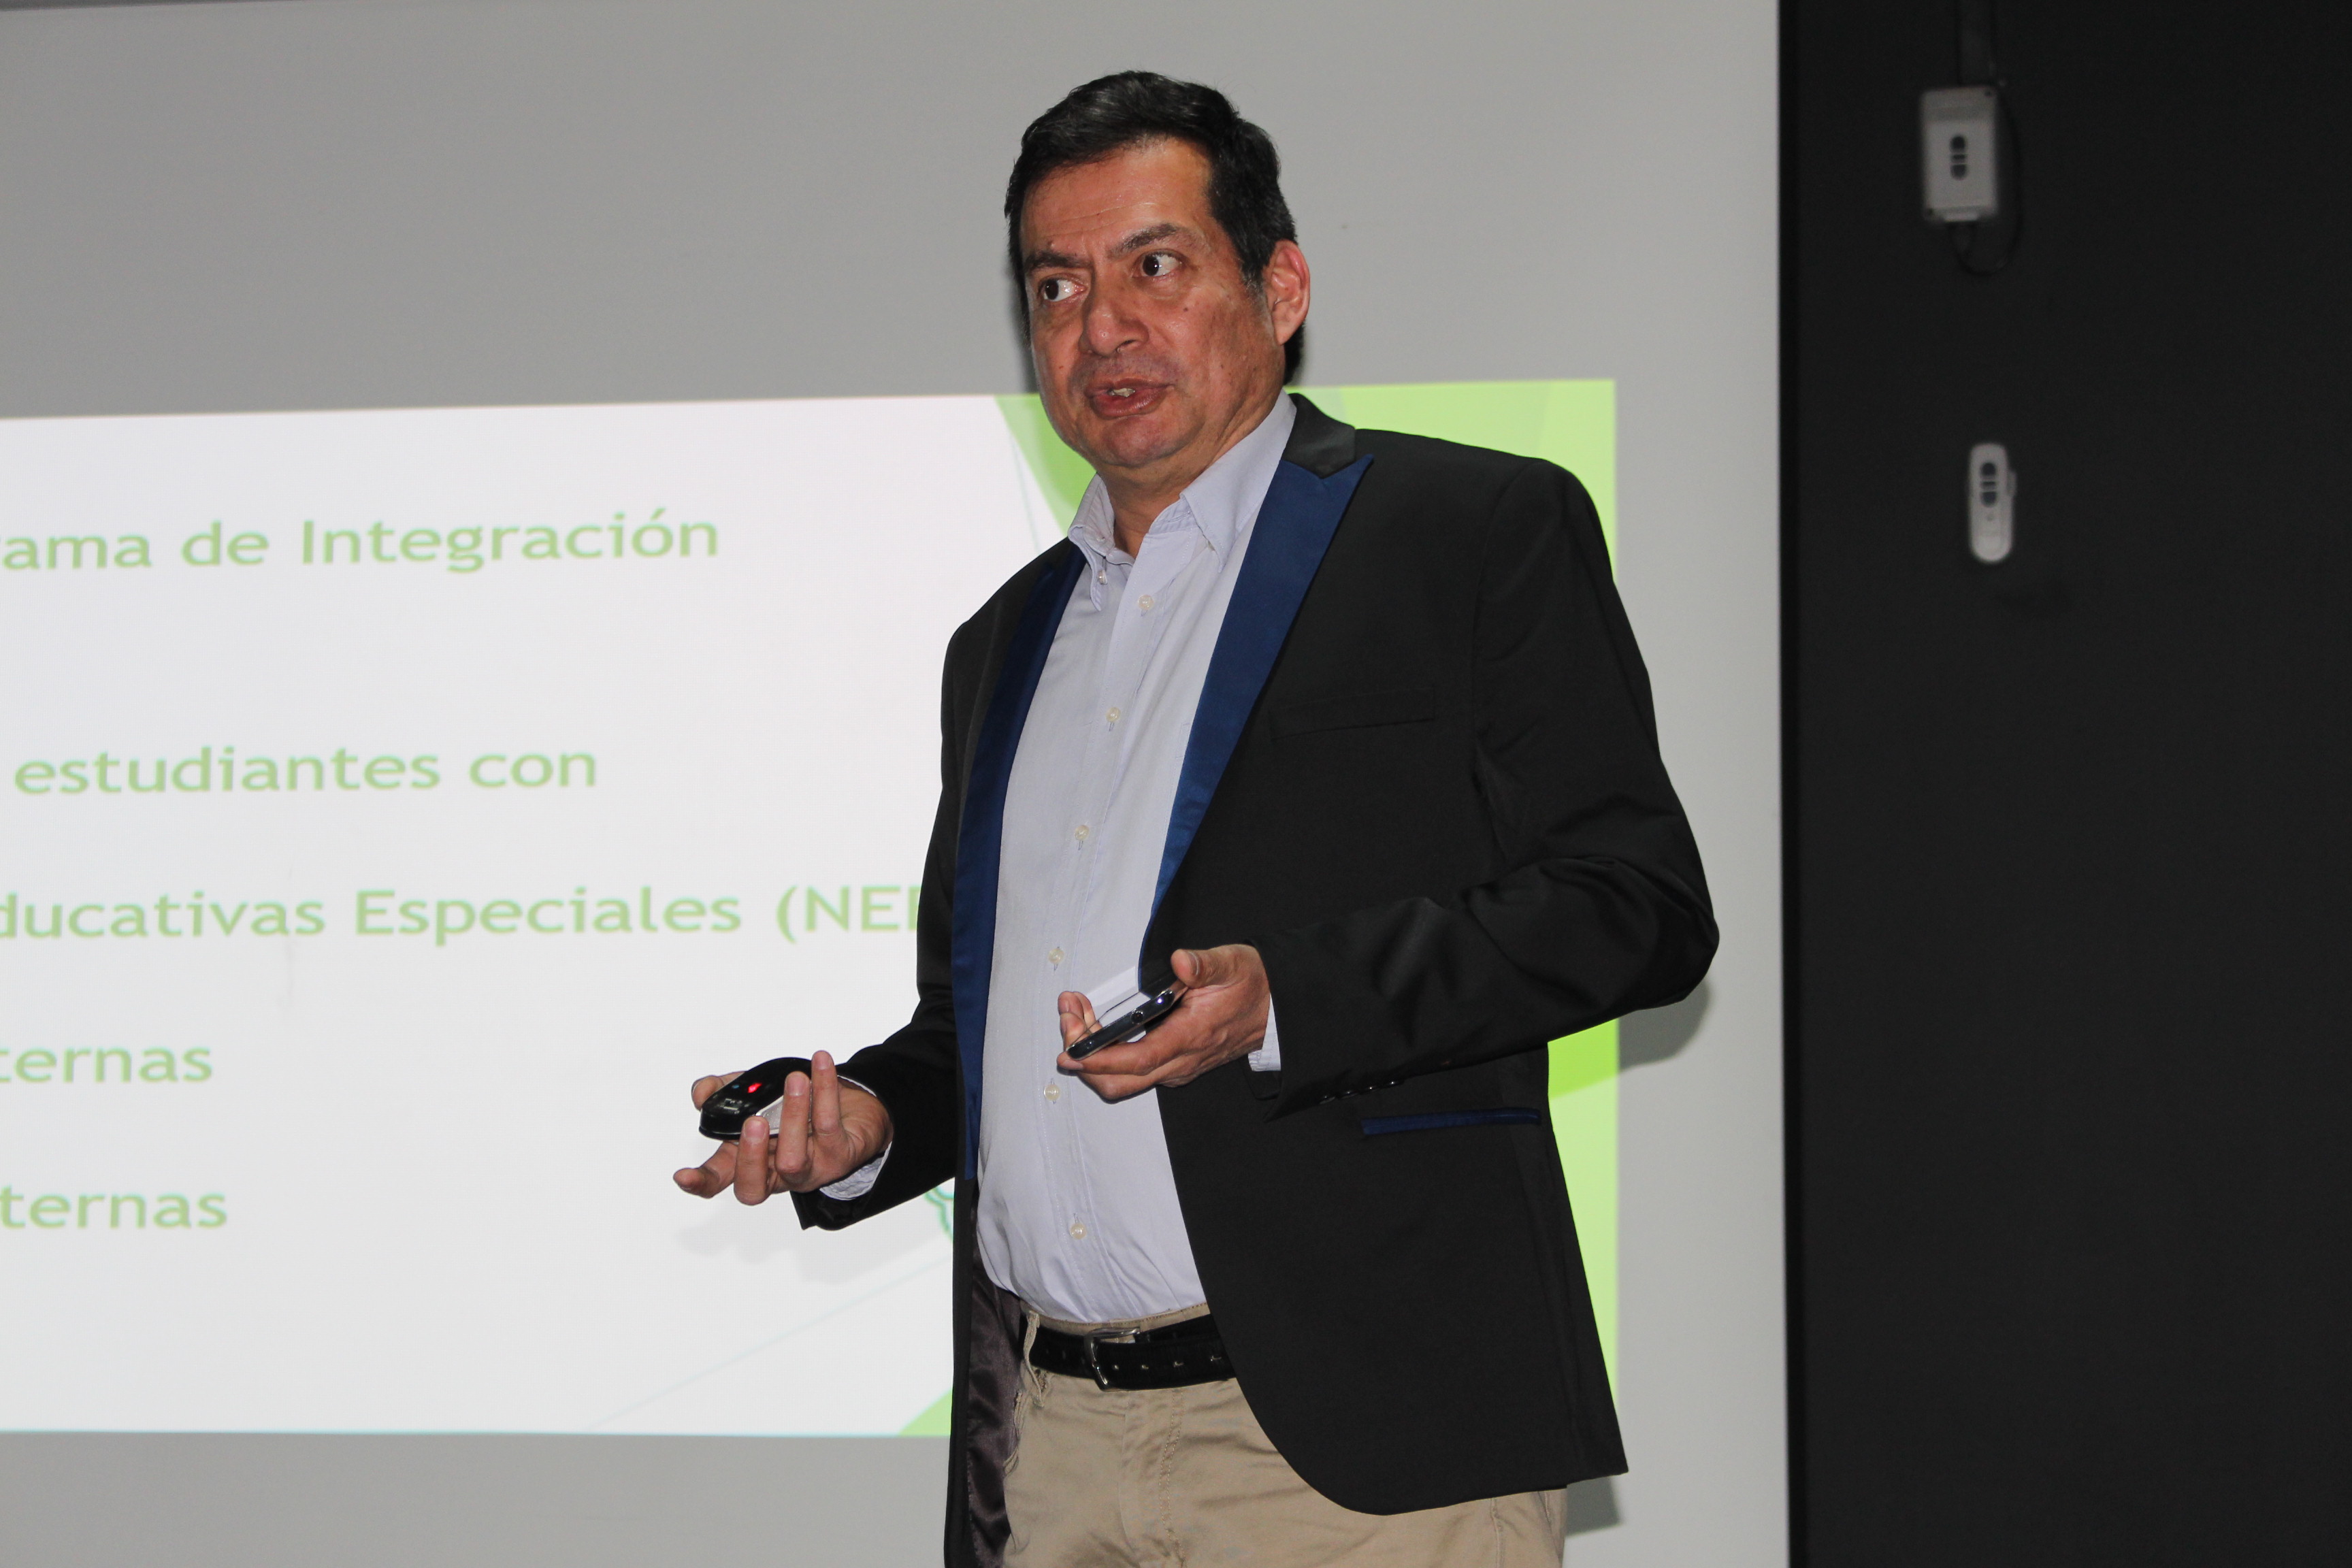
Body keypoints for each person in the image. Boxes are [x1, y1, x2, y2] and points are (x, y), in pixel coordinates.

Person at [675, 71, 1714, 1568]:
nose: (1102, 327)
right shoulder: (1003, 642)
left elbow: (1637, 906)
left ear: (1279, 289)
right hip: (1059, 1447)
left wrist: (1288, 1001)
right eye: (1056, 287)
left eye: (1154, 267)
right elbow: (984, 1033)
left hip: (1364, 1451)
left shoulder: (1469, 532)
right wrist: (866, 1126)